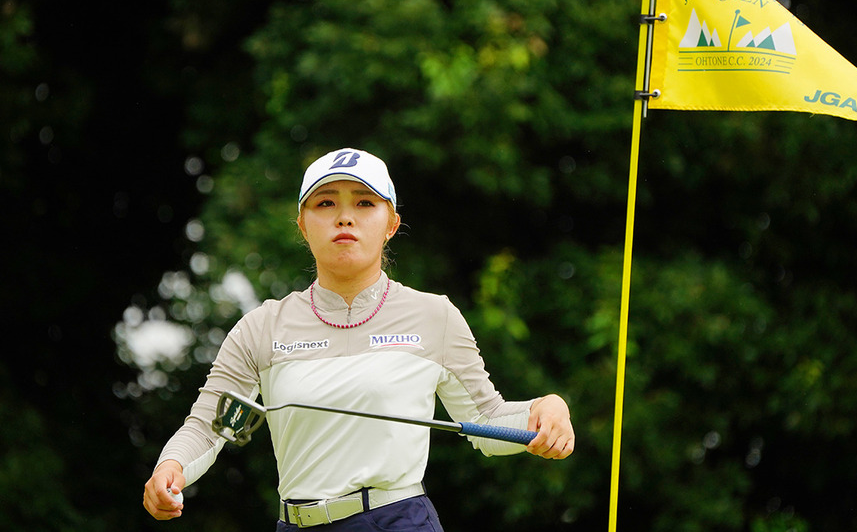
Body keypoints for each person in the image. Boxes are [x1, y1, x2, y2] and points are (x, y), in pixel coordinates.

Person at [142, 148, 574, 530]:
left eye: (364, 203)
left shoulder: (434, 315)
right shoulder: (262, 326)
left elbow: (487, 424)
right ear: (302, 225)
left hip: (398, 521)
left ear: (391, 224)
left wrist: (544, 409)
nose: (344, 216)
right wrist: (170, 467)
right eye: (325, 203)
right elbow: (208, 428)